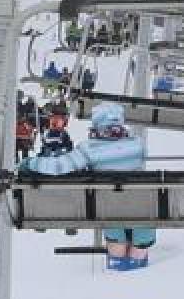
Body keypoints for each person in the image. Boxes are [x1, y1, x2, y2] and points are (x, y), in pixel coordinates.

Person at [20, 103, 154, 270]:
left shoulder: (89, 149)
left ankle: (118, 264)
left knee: (116, 229)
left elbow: (58, 167)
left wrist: (29, 163)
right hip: (144, 208)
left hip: (109, 209)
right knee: (139, 225)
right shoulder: (137, 145)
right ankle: (139, 262)